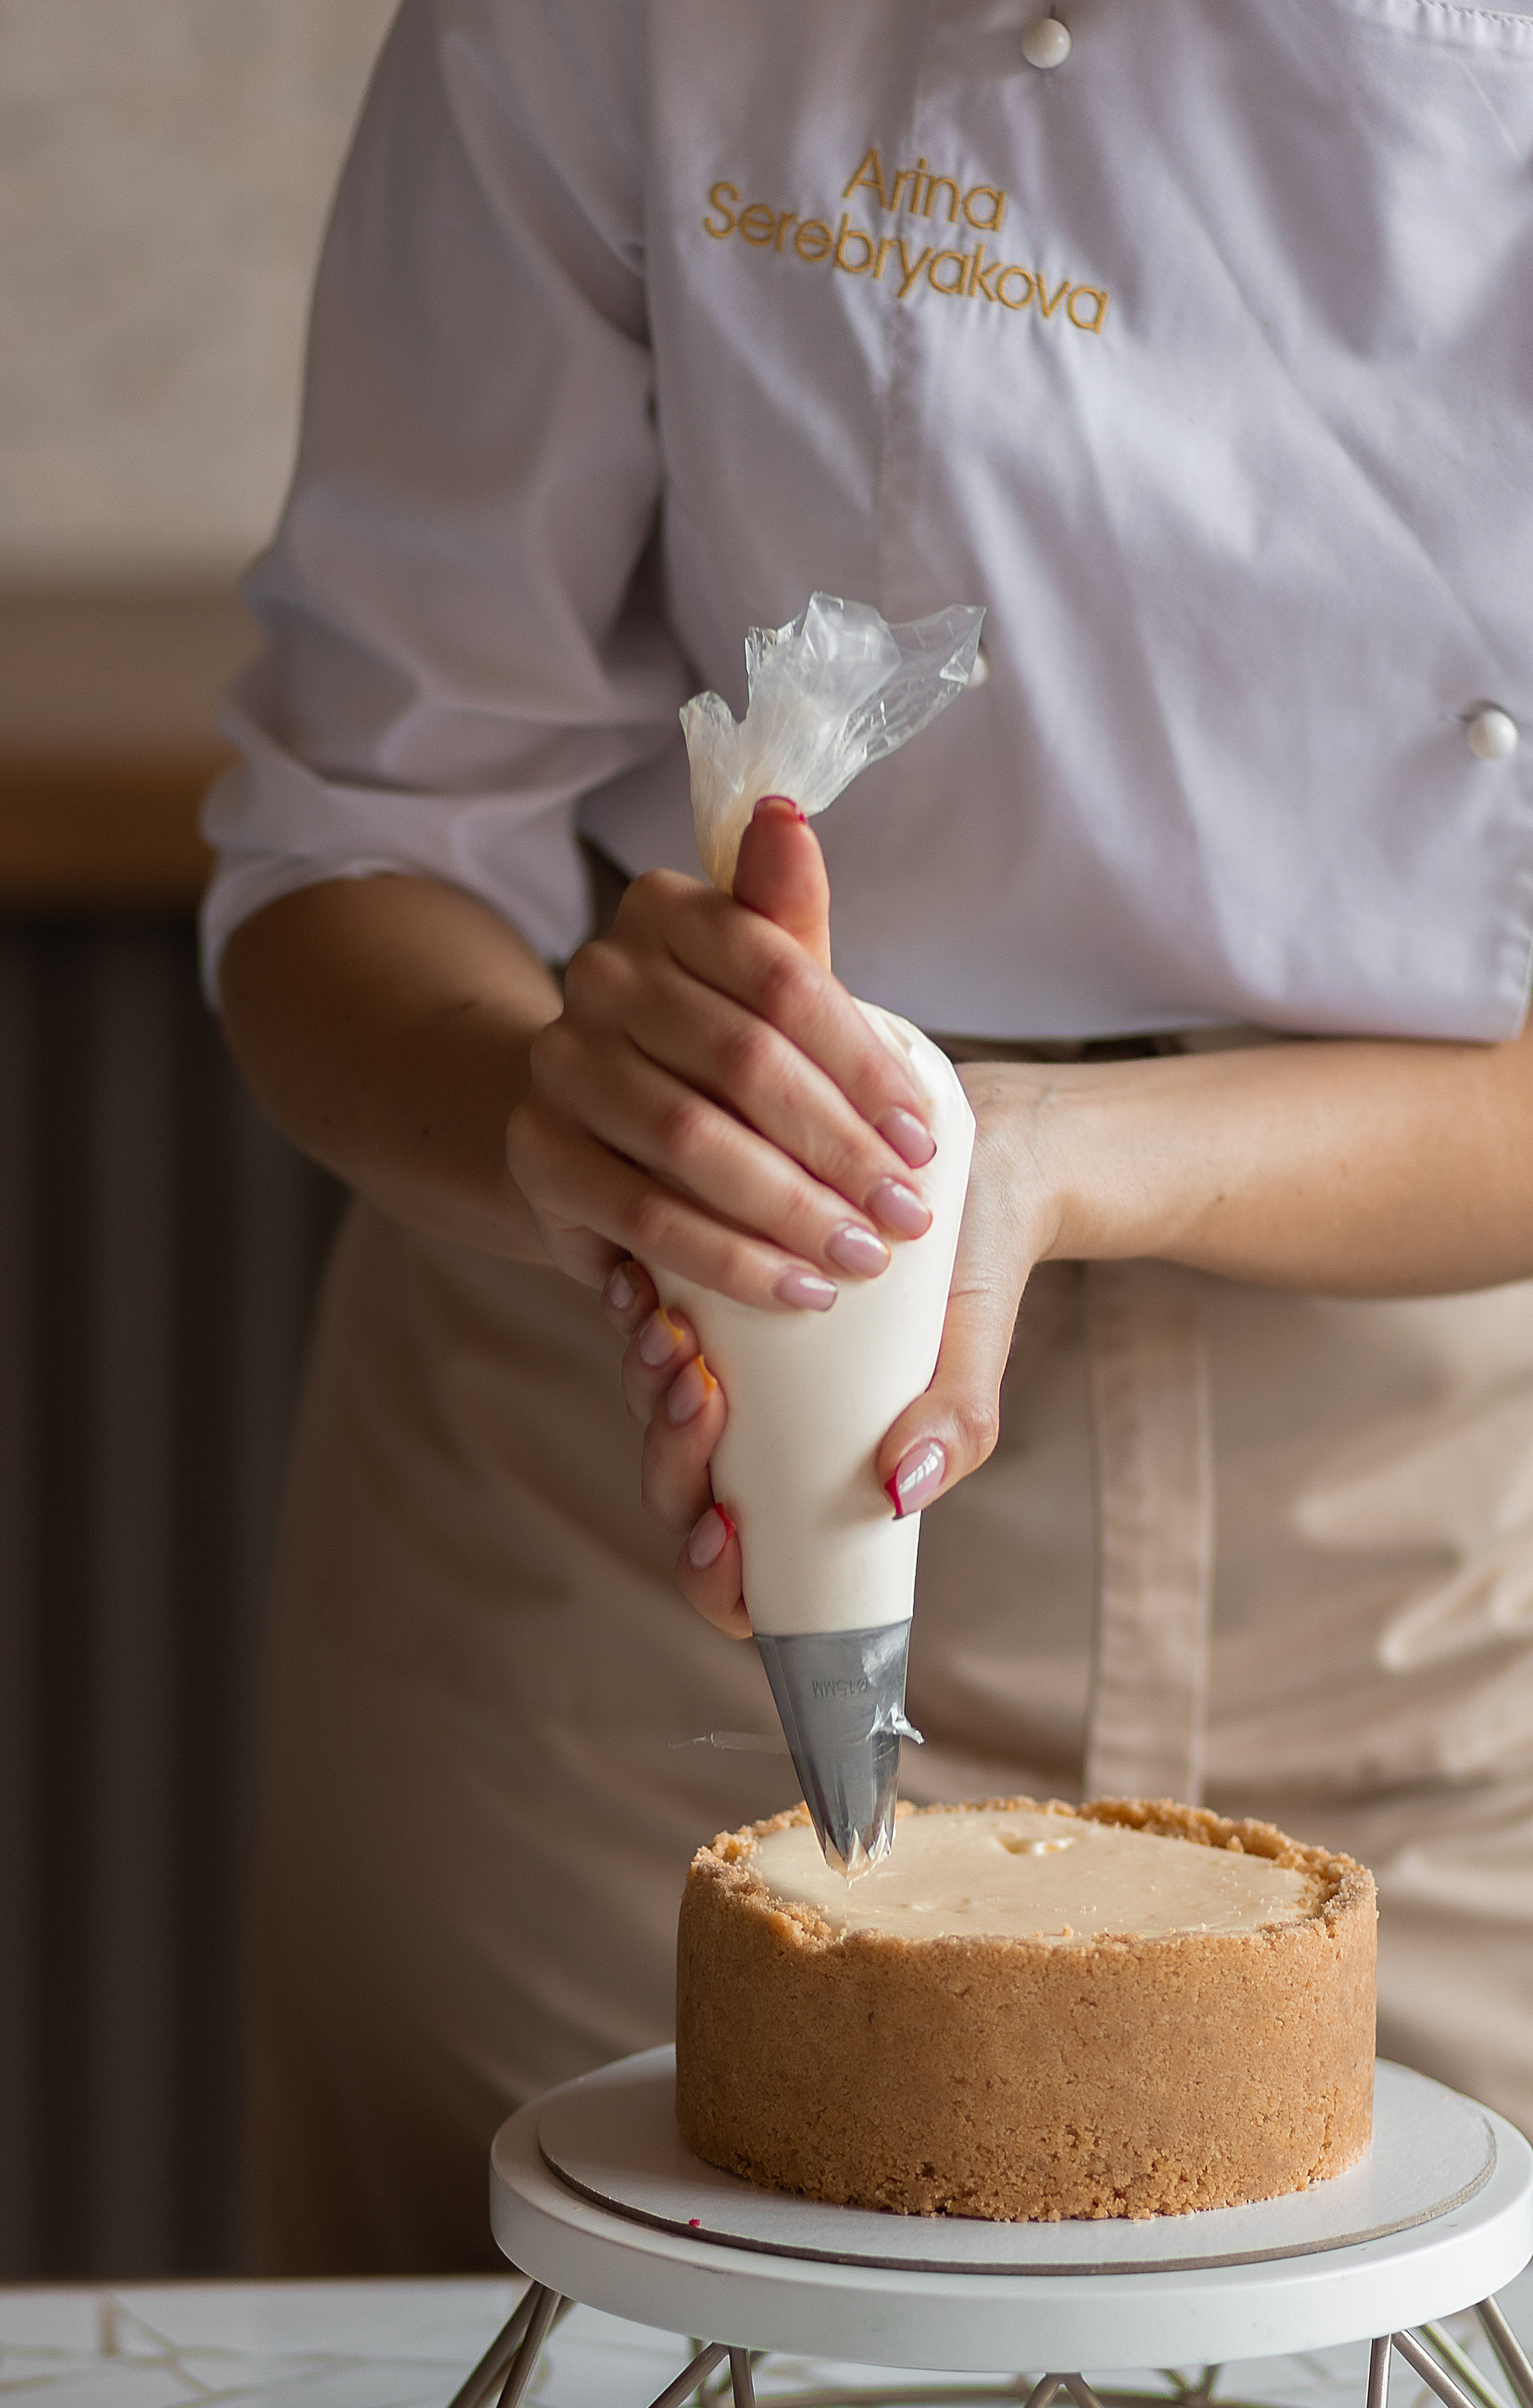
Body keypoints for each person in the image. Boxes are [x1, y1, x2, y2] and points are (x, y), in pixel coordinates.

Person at [203, 3, 1533, 2274]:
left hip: (1440, 1567)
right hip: (635, 1529)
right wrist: (571, 1128)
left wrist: (1054, 1164)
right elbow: (357, 851)